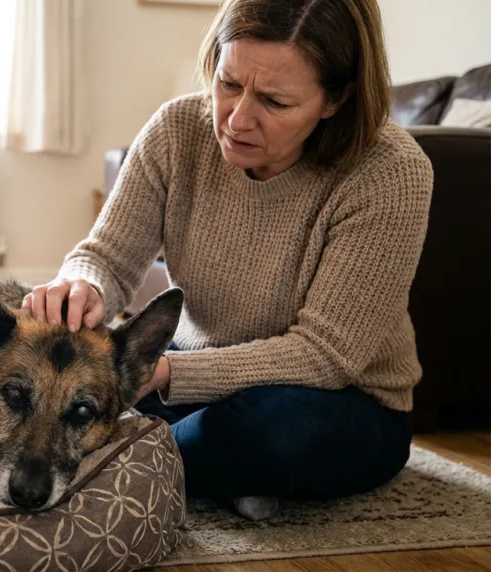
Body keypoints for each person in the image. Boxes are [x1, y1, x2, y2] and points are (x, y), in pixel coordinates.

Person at [21, 0, 433, 521]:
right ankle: (206, 472)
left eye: (275, 102)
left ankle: (160, 459)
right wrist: (83, 285)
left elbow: (325, 355)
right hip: (194, 369)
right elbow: (106, 257)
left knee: (272, 433)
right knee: (56, 397)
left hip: (335, 398)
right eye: (229, 83)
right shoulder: (176, 130)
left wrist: (170, 373)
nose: (237, 119)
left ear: (336, 99)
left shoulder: (391, 172)